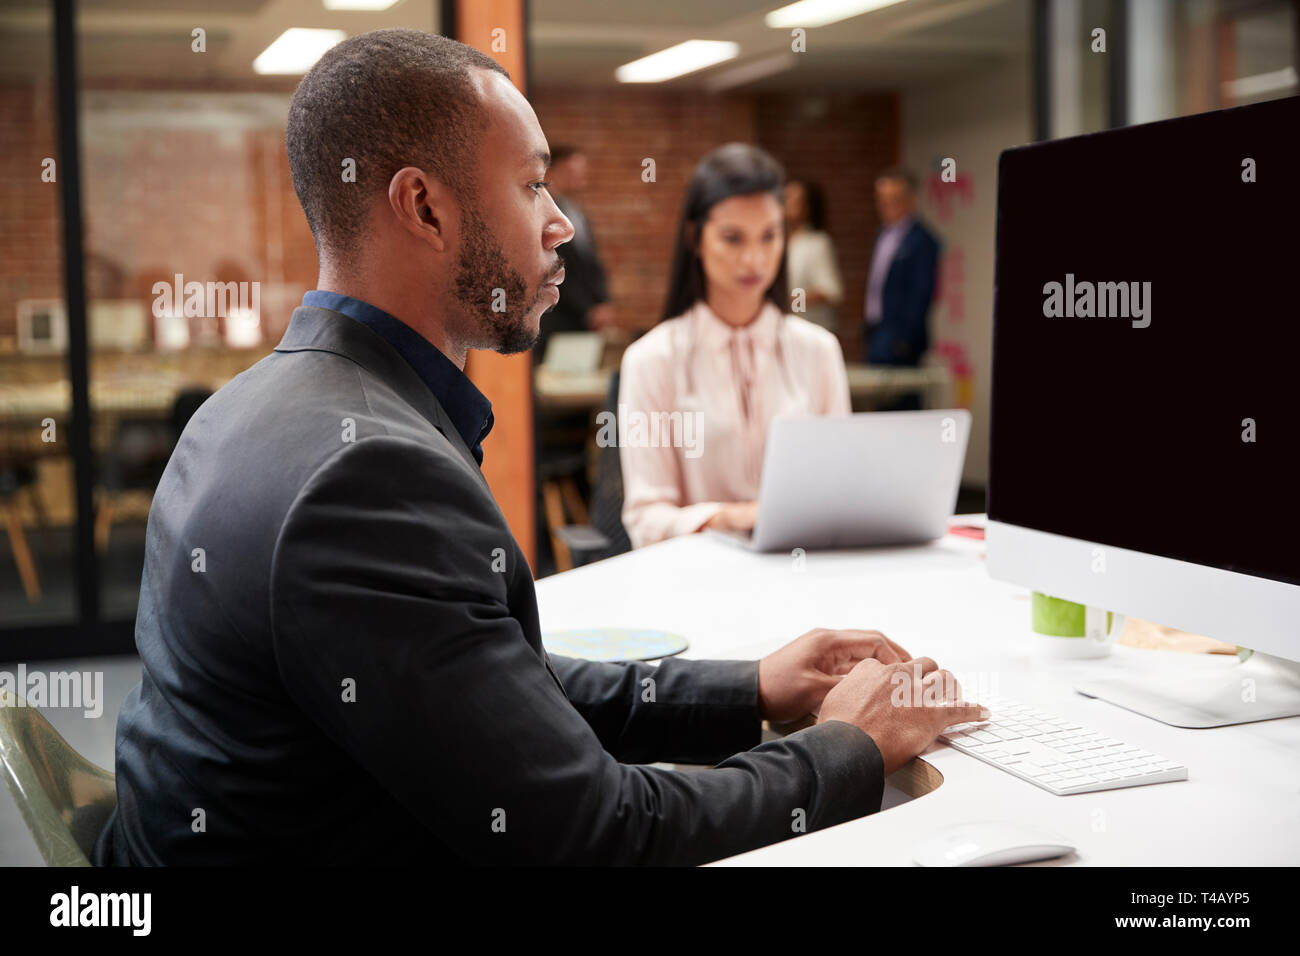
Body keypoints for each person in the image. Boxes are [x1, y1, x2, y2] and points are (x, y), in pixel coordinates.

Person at [91, 31, 985, 867]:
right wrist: (852, 746)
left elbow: (491, 685)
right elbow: (596, 834)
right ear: (424, 208)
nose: (559, 223)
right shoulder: (365, 475)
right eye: (532, 186)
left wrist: (750, 687)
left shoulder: (250, 406)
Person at [618, 145, 850, 549]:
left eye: (770, 236)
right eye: (733, 238)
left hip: (805, 578)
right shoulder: (651, 360)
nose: (754, 258)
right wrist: (730, 519)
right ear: (695, 237)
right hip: (696, 587)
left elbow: (841, 491)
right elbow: (645, 520)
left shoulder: (819, 350)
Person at [863, 168, 940, 409]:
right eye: (882, 200)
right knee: (880, 405)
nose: (886, 206)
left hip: (901, 339)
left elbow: (922, 293)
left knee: (903, 405)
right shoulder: (882, 234)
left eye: (893, 199)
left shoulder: (921, 241)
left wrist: (903, 340)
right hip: (876, 330)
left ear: (910, 199)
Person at [530, 143, 612, 364]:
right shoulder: (542, 213)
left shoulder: (579, 214)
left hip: (584, 321)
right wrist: (587, 309)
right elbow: (554, 265)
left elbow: (592, 263)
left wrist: (603, 302)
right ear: (552, 172)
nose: (579, 178)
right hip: (559, 316)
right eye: (572, 172)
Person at [783, 179, 843, 334]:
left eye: (793, 200)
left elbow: (830, 290)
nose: (786, 204)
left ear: (807, 208)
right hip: (784, 328)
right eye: (785, 198)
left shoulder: (817, 242)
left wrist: (793, 302)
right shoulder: (779, 241)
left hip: (810, 328)